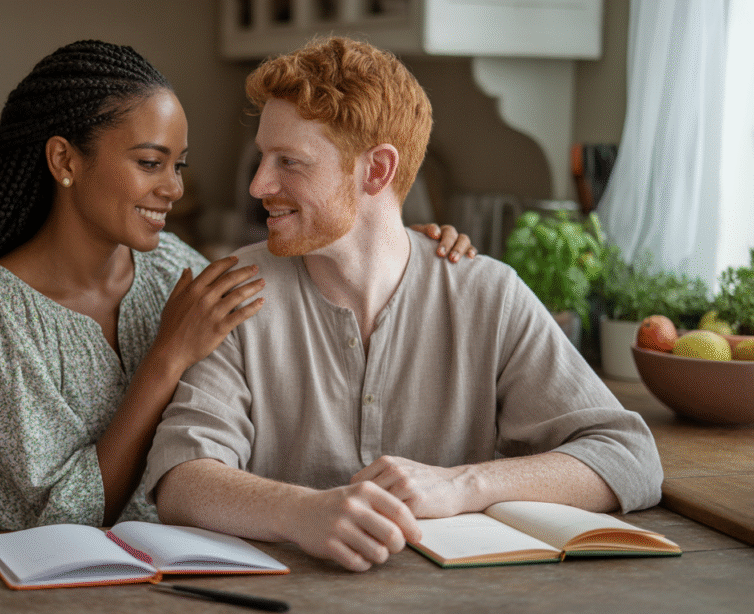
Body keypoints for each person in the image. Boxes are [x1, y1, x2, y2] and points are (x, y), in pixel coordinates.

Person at [0, 40, 474, 534]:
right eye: (151, 163)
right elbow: (60, 526)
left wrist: (395, 241)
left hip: (156, 583)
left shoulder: (172, 266)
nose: (173, 189)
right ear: (63, 160)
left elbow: (300, 281)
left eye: (179, 165)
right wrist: (167, 357)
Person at [145, 37, 663, 572]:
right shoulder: (236, 293)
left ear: (376, 171)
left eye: (289, 162)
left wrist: (461, 484)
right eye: (262, 157)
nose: (259, 184)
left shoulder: (488, 294)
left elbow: (630, 458)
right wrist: (299, 511)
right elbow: (182, 480)